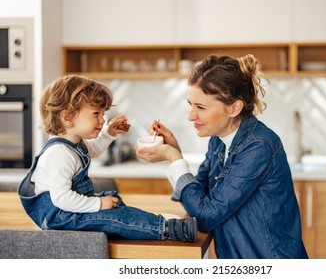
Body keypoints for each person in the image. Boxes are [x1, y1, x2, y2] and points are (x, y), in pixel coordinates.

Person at [137, 54, 308, 258]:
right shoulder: (218, 140)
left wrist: (174, 158)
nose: (190, 115)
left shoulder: (259, 146)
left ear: (234, 108)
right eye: (190, 104)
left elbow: (205, 217)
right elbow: (198, 203)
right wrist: (175, 150)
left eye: (200, 107)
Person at [18, 75, 197, 243]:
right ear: (67, 117)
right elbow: (62, 199)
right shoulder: (59, 154)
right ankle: (167, 229)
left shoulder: (73, 143)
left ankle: (148, 223)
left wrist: (108, 133)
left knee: (113, 199)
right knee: (113, 216)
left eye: (103, 114)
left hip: (69, 210)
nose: (102, 120)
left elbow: (93, 150)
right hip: (60, 216)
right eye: (96, 114)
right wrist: (97, 203)